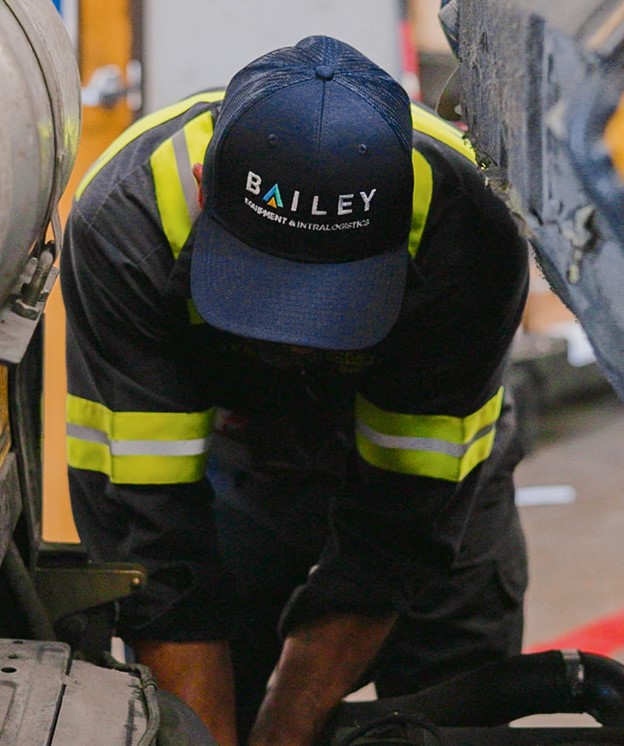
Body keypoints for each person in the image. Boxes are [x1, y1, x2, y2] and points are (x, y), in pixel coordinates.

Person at [61, 36, 529, 746]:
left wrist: (290, 722)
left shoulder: (468, 234)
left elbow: (406, 519)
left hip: (436, 487)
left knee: (447, 709)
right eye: (267, 292)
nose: (298, 343)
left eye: (329, 302)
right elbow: (147, 528)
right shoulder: (126, 226)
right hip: (242, 468)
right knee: (199, 713)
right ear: (201, 182)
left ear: (397, 222)